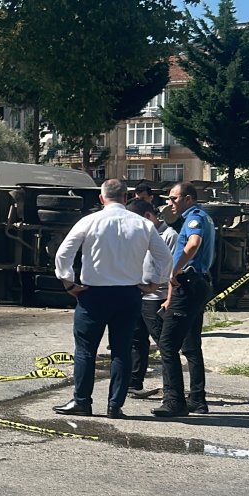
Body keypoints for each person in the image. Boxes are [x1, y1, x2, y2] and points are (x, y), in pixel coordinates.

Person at [52, 179, 173, 419]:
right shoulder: (143, 224)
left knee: (86, 350)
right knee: (122, 350)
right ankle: (114, 405)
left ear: (101, 198)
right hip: (129, 293)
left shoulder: (89, 221)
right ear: (127, 198)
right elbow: (165, 257)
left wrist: (68, 282)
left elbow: (63, 253)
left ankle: (82, 401)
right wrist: (155, 284)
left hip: (92, 293)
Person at [153, 182, 215, 417]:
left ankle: (174, 400)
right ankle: (197, 399)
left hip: (188, 284)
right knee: (190, 345)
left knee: (167, 344)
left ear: (188, 199)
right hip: (197, 284)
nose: (170, 203)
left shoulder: (194, 218)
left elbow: (193, 244)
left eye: (173, 198)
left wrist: (174, 271)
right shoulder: (203, 217)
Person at [125, 199, 177, 398]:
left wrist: (168, 298)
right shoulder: (138, 234)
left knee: (163, 343)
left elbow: (173, 268)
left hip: (157, 296)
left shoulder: (169, 235)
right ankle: (134, 383)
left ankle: (170, 389)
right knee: (136, 340)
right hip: (137, 293)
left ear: (148, 216)